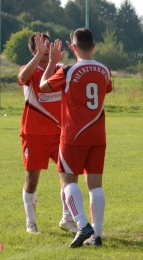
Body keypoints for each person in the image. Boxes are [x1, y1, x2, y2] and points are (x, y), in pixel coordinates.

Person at [40, 28, 112, 248]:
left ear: (73, 47)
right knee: (95, 185)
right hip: (98, 134)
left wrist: (52, 62)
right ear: (94, 46)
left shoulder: (69, 70)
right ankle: (97, 235)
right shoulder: (105, 70)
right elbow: (105, 90)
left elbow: (43, 87)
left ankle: (82, 225)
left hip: (73, 134)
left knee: (68, 180)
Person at [18, 32, 77, 234]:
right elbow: (23, 77)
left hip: (60, 134)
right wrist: (41, 56)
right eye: (41, 46)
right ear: (33, 50)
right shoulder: (28, 69)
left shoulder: (61, 70)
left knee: (69, 175)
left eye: (48, 45)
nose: (46, 49)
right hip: (33, 135)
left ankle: (67, 219)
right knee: (32, 180)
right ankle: (31, 223)